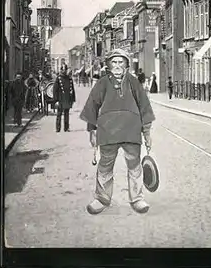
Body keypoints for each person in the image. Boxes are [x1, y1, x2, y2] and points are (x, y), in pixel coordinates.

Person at [80, 48, 155, 215]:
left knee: (134, 165)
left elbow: (144, 106)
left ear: (127, 64)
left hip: (131, 131)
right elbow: (92, 105)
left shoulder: (133, 82)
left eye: (121, 62)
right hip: (108, 131)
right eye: (114, 62)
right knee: (105, 165)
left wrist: (147, 133)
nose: (117, 65)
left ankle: (137, 199)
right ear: (108, 65)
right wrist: (91, 130)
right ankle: (102, 198)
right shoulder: (102, 83)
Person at [53, 64, 76, 132]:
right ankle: (58, 128)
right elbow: (55, 90)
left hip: (67, 98)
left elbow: (72, 89)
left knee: (66, 114)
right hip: (60, 99)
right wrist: (56, 100)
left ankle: (66, 128)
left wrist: (73, 99)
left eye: (65, 70)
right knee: (59, 114)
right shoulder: (58, 78)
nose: (64, 71)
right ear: (61, 70)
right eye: (63, 70)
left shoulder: (69, 79)